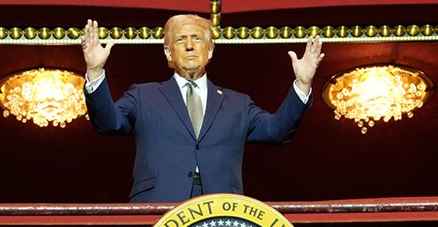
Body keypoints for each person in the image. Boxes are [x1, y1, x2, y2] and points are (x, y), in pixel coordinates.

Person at [81, 14, 322, 203]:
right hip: (159, 206)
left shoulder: (238, 103)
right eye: (179, 39)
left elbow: (276, 131)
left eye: (197, 39)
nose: (189, 46)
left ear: (209, 50)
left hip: (221, 207)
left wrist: (302, 84)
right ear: (168, 52)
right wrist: (95, 72)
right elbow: (108, 123)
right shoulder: (143, 95)